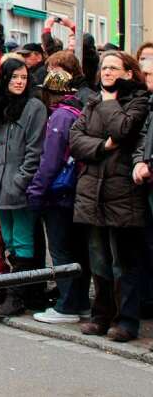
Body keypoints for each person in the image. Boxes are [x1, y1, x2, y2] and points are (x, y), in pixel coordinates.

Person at [70, 51, 149, 342]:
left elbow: (124, 129)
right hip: (93, 193)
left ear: (129, 73)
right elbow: (75, 140)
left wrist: (111, 104)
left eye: (114, 68)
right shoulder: (92, 102)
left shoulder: (138, 101)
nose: (106, 72)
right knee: (99, 261)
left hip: (123, 195)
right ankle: (101, 316)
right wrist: (104, 145)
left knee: (123, 263)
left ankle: (126, 321)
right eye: (104, 68)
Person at [27, 71, 91, 324]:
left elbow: (50, 161)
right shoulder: (79, 111)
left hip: (59, 194)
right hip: (78, 192)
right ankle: (81, 303)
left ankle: (67, 306)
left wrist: (35, 192)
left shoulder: (60, 117)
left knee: (62, 251)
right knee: (78, 250)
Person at [0, 57, 47, 318]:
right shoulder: (1, 106)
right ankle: (14, 292)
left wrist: (20, 181)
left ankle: (18, 297)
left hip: (19, 186)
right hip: (1, 184)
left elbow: (35, 150)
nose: (20, 82)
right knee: (9, 240)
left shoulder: (34, 107)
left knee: (22, 241)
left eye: (24, 77)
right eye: (15, 77)